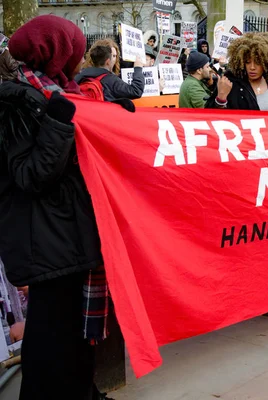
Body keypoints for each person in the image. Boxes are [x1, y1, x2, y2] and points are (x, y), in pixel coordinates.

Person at [0, 15, 107, 399]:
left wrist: (113, 122)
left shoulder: (62, 93)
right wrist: (61, 123)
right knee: (49, 347)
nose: (80, 58)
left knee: (78, 340)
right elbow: (30, 175)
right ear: (57, 52)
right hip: (45, 245)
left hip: (69, 238)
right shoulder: (14, 103)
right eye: (75, 49)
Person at [206, 32, 268, 111]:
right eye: (247, 62)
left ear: (267, 63)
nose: (252, 67)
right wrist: (221, 98)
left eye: (257, 62)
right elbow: (209, 117)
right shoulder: (230, 83)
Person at [76, 40, 145, 101]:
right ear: (108, 61)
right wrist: (138, 68)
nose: (115, 59)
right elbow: (136, 91)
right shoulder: (111, 80)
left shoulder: (79, 76)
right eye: (113, 56)